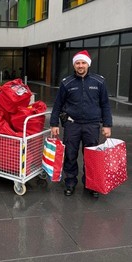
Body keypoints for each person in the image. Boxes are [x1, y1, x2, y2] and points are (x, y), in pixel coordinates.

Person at [50, 50, 112, 198]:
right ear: (74, 65)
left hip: (92, 125)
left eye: (83, 62)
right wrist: (54, 124)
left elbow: (105, 104)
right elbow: (58, 105)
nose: (80, 65)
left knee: (91, 156)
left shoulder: (99, 82)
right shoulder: (67, 83)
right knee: (70, 155)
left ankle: (90, 184)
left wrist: (107, 125)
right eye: (77, 63)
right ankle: (70, 183)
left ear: (88, 64)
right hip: (72, 125)